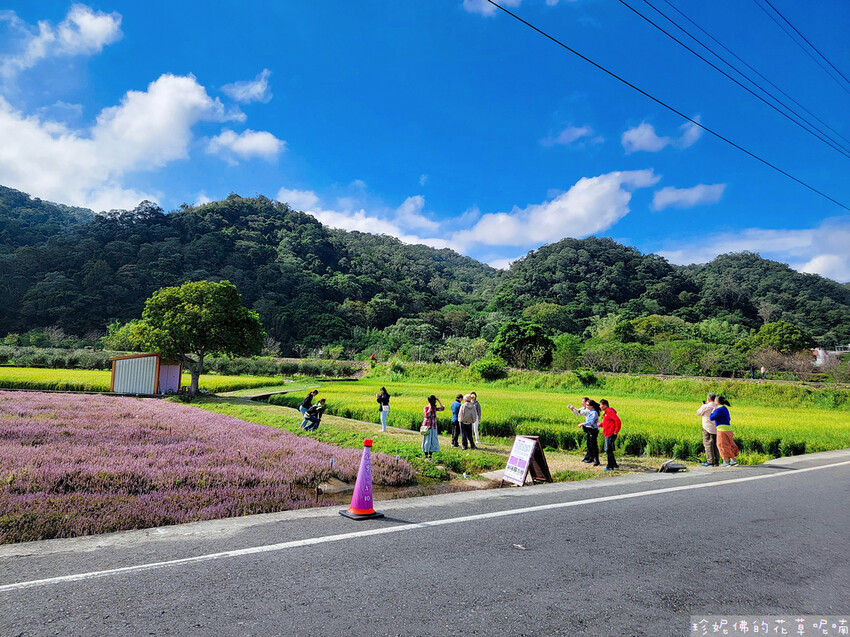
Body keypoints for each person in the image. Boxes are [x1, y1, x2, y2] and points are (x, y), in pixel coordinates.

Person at [568, 397, 600, 466]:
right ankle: (590, 458)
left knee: (593, 445)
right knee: (589, 444)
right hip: (589, 429)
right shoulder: (588, 410)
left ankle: (596, 460)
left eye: (587, 405)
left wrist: (582, 423)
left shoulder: (593, 412)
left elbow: (591, 422)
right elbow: (578, 413)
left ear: (591, 406)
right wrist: (572, 409)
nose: (586, 406)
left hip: (593, 430)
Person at [711, 396, 739, 467]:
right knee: (729, 444)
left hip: (721, 430)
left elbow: (711, 417)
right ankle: (733, 460)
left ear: (717, 402)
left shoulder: (718, 409)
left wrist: (712, 411)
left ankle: (725, 461)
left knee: (721, 445)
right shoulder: (725, 408)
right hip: (729, 429)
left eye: (715, 400)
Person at [697, 393, 720, 467]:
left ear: (708, 398)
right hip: (716, 428)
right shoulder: (717, 406)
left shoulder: (706, 406)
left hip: (707, 428)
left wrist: (703, 405)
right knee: (715, 445)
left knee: (707, 444)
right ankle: (716, 461)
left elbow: (698, 413)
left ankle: (710, 461)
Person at [599, 399, 621, 471]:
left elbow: (617, 420)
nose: (600, 406)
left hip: (610, 433)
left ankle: (610, 466)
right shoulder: (606, 413)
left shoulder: (609, 411)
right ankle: (614, 465)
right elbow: (607, 422)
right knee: (609, 450)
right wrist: (601, 424)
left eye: (601, 405)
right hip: (607, 433)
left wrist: (616, 431)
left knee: (607, 449)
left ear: (605, 405)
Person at [422, 395, 444, 459]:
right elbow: (427, 415)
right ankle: (426, 454)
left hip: (433, 426)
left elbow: (442, 408)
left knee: (432, 440)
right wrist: (430, 407)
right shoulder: (426, 407)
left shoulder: (435, 407)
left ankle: (430, 455)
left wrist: (439, 400)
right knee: (427, 441)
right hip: (427, 427)